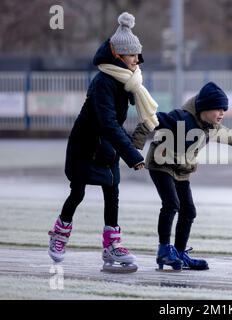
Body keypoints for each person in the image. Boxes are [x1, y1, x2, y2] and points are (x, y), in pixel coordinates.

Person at [47, 12, 155, 271]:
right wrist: (132, 154)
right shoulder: (103, 83)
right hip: (85, 146)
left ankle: (112, 246)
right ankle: (59, 236)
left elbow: (118, 125)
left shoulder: (128, 81)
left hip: (106, 146)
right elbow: (108, 123)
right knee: (78, 191)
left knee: (113, 192)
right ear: (117, 55)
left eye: (137, 55)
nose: (136, 60)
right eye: (132, 55)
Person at [132, 82, 232, 271]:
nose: (222, 113)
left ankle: (179, 252)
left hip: (182, 169)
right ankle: (164, 250)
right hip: (162, 164)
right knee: (171, 204)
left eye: (224, 110)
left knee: (189, 211)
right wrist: (134, 146)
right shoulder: (181, 118)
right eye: (218, 109)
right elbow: (151, 120)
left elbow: (224, 134)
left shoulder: (211, 126)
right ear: (205, 108)